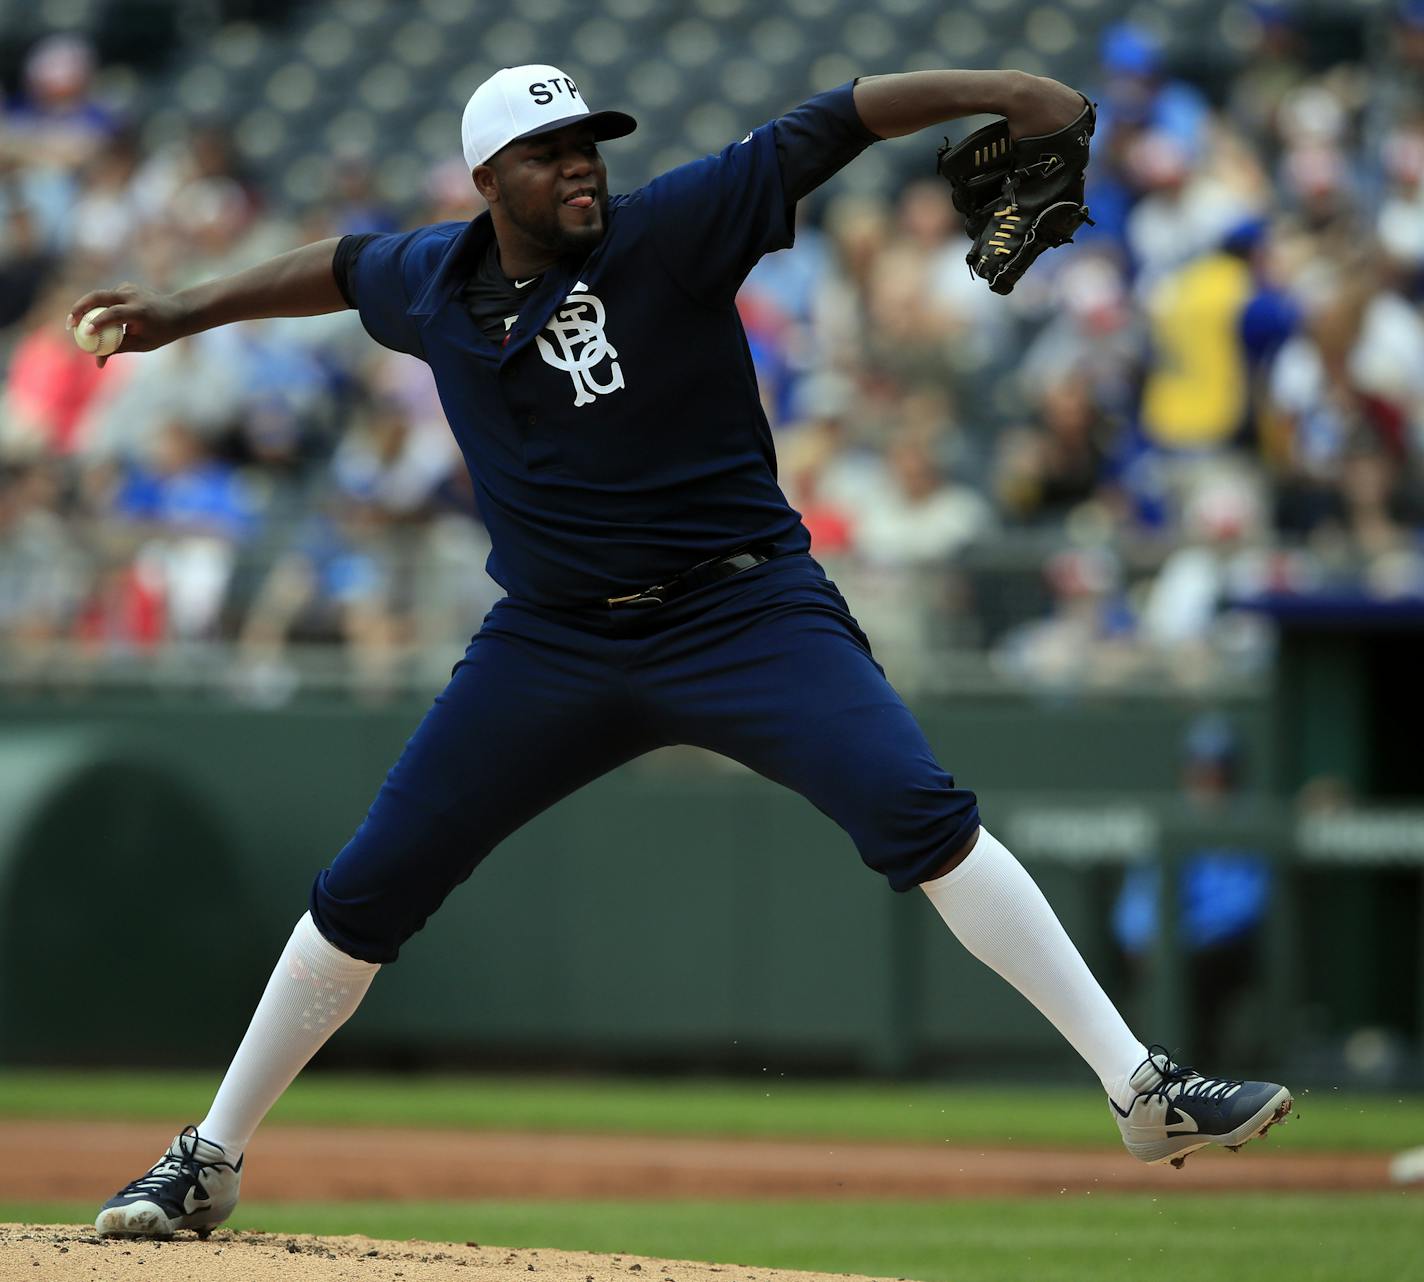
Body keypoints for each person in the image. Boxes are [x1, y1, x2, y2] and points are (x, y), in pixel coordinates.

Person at [73, 63, 1293, 1239]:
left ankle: (1138, 1087)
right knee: (369, 884)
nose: (579, 168)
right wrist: (183, 309)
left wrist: (1011, 93)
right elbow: (337, 268)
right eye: (547, 154)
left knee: (918, 810)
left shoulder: (672, 230)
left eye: (586, 144)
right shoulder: (432, 279)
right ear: (488, 179)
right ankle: (210, 1157)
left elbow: (835, 118)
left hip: (742, 613)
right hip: (549, 642)